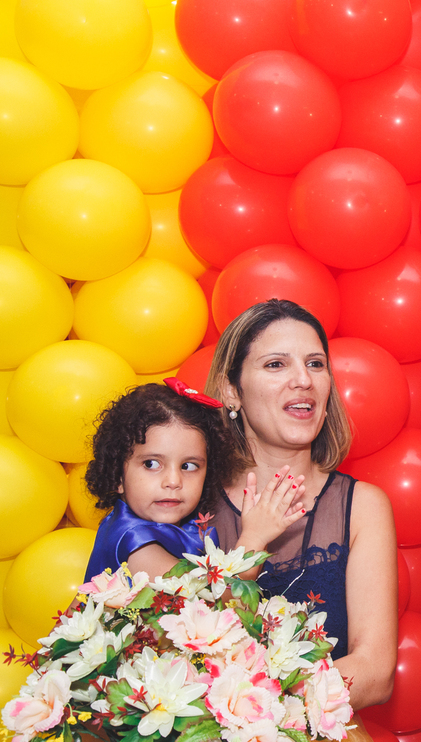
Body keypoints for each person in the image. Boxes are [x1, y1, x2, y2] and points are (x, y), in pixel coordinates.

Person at [206, 299, 398, 709]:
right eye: (276, 364)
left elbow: (375, 671)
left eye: (315, 364)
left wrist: (258, 715)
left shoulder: (362, 507)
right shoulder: (188, 502)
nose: (303, 380)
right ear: (230, 390)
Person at [83, 378, 296, 582]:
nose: (173, 481)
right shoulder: (136, 544)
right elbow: (221, 597)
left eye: (188, 466)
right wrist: (254, 538)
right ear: (117, 475)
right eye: (151, 464)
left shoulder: (189, 527)